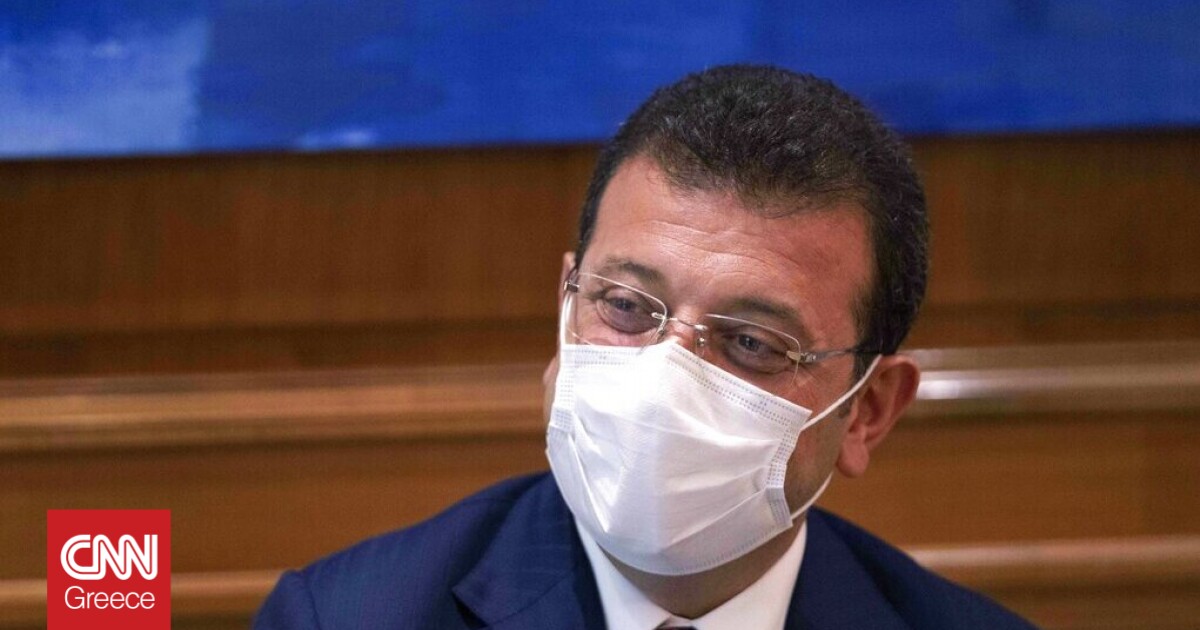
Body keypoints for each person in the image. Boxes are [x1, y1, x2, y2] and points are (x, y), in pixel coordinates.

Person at [255, 65, 1035, 629]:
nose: (669, 374)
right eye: (626, 307)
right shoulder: (349, 618)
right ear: (567, 307)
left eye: (752, 342)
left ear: (866, 412)